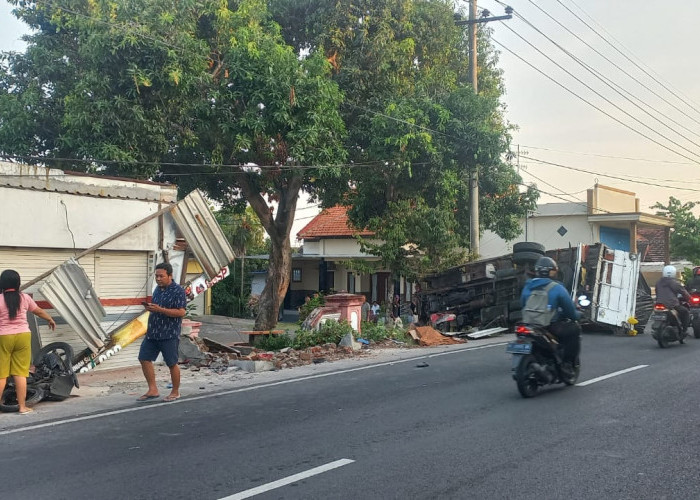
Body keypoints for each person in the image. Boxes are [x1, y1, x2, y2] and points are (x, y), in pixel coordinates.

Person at [0, 269, 56, 414]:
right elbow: (38, 311)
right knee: (20, 373)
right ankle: (22, 407)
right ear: (18, 283)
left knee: (2, 375)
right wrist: (49, 319)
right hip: (23, 336)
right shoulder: (24, 298)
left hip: (4, 337)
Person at [520, 256, 581, 373]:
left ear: (537, 271)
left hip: (528, 324)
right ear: (552, 272)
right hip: (549, 326)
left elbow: (523, 304)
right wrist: (577, 315)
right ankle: (568, 363)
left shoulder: (527, 286)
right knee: (574, 329)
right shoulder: (557, 288)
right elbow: (570, 311)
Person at [138, 262, 187, 402]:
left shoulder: (178, 291)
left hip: (169, 334)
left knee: (172, 363)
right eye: (156, 276)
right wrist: (151, 308)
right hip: (153, 332)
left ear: (170, 276)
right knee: (144, 358)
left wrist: (160, 310)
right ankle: (152, 390)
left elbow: (181, 311)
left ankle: (175, 391)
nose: (158, 279)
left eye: (161, 276)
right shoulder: (157, 290)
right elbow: (157, 307)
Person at [656, 264, 690, 331]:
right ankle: (684, 330)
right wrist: (689, 298)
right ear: (674, 273)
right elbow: (683, 292)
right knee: (685, 311)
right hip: (671, 304)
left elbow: (657, 292)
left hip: (659, 303)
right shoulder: (674, 282)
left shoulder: (658, 282)